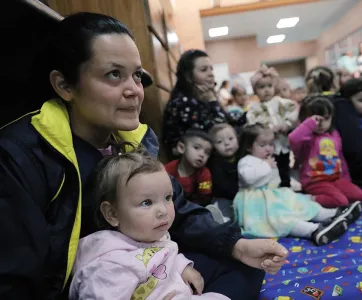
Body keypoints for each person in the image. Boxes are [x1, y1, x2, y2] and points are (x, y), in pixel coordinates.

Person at [0, 13, 288, 300]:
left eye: (136, 75)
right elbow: (20, 277)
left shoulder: (135, 141)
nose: (135, 91)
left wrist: (235, 245)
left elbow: (176, 207)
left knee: (247, 261)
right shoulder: (20, 154)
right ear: (64, 85)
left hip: (151, 265)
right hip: (96, 287)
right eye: (114, 74)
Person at [69, 149, 229, 300]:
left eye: (168, 198)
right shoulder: (109, 267)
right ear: (112, 214)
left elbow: (163, 250)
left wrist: (182, 267)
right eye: (147, 202)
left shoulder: (150, 235)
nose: (163, 211)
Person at [234, 124, 361, 245]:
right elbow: (249, 177)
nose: (268, 148)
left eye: (271, 144)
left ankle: (332, 213)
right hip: (256, 204)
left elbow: (273, 180)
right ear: (248, 147)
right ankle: (314, 230)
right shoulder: (246, 161)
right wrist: (267, 166)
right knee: (281, 218)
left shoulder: (266, 160)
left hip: (270, 195)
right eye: (262, 145)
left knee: (301, 204)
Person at [305, 66, 362, 197]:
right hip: (343, 172)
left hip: (312, 175)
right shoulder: (340, 104)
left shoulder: (306, 104)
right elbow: (353, 145)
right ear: (335, 83)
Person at [163, 50, 245, 158]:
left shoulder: (203, 97)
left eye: (211, 69)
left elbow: (231, 124)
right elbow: (217, 133)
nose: (211, 73)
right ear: (188, 76)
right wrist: (212, 102)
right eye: (204, 70)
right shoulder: (182, 103)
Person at [289, 95, 362, 208]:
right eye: (317, 119)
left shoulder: (334, 135)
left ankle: (331, 195)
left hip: (335, 179)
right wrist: (309, 124)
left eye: (326, 118)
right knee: (341, 201)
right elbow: (293, 139)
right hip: (314, 181)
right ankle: (307, 198)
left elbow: (340, 158)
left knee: (358, 195)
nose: (321, 123)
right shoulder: (306, 137)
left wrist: (346, 178)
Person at [247, 65, 298, 188]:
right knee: (270, 165)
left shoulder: (280, 101)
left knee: (284, 163)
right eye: (261, 87)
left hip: (282, 141)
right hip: (268, 145)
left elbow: (293, 109)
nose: (266, 90)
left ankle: (286, 184)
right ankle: (271, 186)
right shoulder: (254, 107)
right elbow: (251, 122)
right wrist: (267, 128)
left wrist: (286, 123)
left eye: (269, 86)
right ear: (255, 90)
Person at [165, 130, 213, 207]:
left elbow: (205, 199)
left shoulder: (204, 174)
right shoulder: (169, 168)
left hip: (193, 207)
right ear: (181, 148)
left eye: (207, 152)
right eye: (197, 148)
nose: (202, 154)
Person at [208, 124, 240, 219]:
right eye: (219, 141)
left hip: (243, 193)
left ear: (238, 140)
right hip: (224, 196)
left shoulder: (243, 155)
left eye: (231, 139)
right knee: (223, 213)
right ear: (213, 147)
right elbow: (221, 185)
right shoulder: (215, 162)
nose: (226, 143)